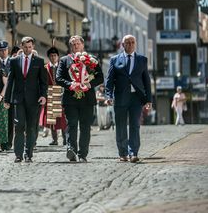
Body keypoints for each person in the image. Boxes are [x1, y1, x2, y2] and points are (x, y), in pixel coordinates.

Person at [56, 36, 103, 163]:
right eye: (73, 44)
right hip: (70, 99)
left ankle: (83, 154)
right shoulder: (65, 60)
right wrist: (71, 84)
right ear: (70, 47)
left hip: (87, 98)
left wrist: (89, 84)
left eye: (78, 44)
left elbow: (100, 78)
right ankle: (71, 149)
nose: (76, 46)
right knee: (71, 125)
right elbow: (58, 78)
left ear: (83, 45)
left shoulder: (91, 60)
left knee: (85, 127)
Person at [105, 35, 152, 163]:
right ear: (123, 45)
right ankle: (123, 153)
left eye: (132, 42)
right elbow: (109, 81)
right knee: (120, 126)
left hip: (136, 98)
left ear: (135, 44)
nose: (130, 45)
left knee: (135, 125)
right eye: (128, 43)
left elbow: (146, 81)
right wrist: (108, 95)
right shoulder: (115, 60)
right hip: (120, 98)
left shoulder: (142, 60)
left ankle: (133, 153)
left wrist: (149, 100)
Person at [4, 37, 48, 163]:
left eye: (30, 47)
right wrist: (7, 99)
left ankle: (28, 154)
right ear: (22, 46)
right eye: (26, 47)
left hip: (34, 100)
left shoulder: (39, 61)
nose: (28, 49)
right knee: (19, 126)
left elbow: (43, 82)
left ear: (33, 47)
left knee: (31, 128)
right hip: (18, 99)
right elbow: (10, 80)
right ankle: (18, 154)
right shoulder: (14, 61)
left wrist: (43, 95)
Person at [43, 47, 67, 146]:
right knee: (51, 118)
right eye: (51, 56)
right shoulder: (45, 68)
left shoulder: (62, 67)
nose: (53, 57)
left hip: (60, 94)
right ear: (49, 57)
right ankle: (55, 139)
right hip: (50, 94)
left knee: (62, 118)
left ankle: (65, 138)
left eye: (55, 56)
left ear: (58, 57)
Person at [0, 41, 14, 151]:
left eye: (5, 50)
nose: (3, 52)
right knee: (0, 120)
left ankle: (8, 143)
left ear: (8, 50)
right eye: (1, 51)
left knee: (10, 119)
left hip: (10, 94)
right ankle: (0, 142)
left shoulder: (13, 61)